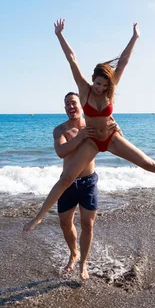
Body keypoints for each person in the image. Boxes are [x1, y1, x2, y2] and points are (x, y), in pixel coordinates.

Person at [24, 19, 155, 234]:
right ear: (93, 80)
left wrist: (135, 37)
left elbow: (123, 62)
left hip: (110, 137)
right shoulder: (84, 89)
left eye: (105, 85)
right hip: (92, 140)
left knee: (148, 163)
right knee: (66, 178)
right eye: (98, 83)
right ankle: (38, 218)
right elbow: (71, 59)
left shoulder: (110, 88)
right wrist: (59, 35)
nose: (100, 88)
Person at [53, 92, 116, 280]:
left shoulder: (92, 125)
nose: (70, 106)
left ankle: (83, 263)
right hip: (68, 182)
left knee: (87, 224)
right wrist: (80, 136)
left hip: (88, 181)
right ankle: (74, 253)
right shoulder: (60, 130)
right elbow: (61, 152)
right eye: (66, 104)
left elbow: (112, 137)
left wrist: (114, 127)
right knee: (65, 223)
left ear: (81, 104)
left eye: (73, 102)